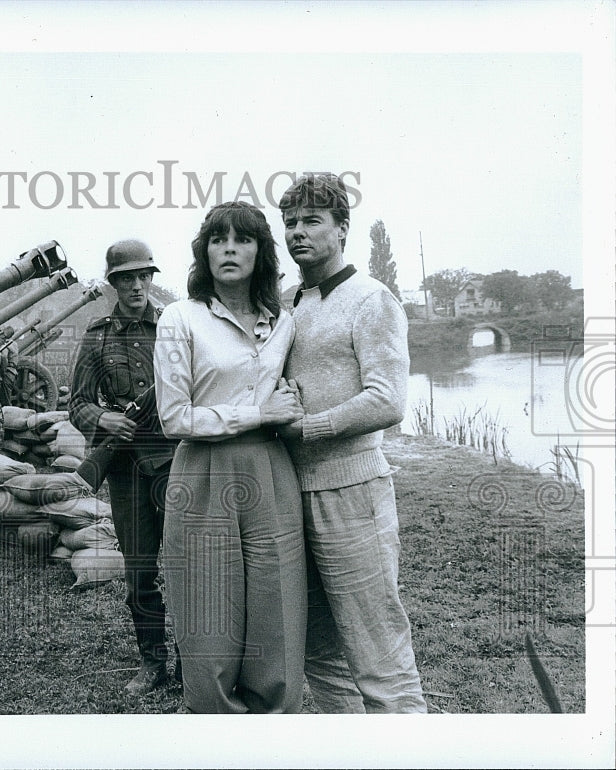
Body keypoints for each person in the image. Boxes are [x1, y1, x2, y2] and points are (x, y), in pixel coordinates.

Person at [277, 173, 426, 713]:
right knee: (317, 649)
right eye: (290, 222)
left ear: (342, 229)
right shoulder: (287, 301)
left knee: (377, 651)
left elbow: (388, 400)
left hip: (354, 489)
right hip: (291, 493)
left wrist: (309, 426)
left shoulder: (371, 298)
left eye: (312, 221)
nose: (298, 233)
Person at [153, 201, 306, 713]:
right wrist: (259, 414)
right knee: (208, 618)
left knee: (276, 611)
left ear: (261, 251)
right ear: (205, 252)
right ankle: (214, 734)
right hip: (203, 472)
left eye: (242, 240)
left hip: (271, 470)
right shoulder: (180, 317)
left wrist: (286, 412)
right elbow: (174, 418)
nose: (230, 250)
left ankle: (273, 733)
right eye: (218, 240)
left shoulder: (283, 321)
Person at [69, 239, 179, 695]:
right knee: (139, 572)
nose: (137, 286)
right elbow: (77, 403)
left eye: (143, 276)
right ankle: (152, 662)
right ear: (113, 282)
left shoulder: (175, 325)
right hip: (127, 470)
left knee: (187, 568)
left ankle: (194, 665)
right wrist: (104, 418)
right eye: (127, 278)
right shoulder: (97, 335)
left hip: (175, 461)